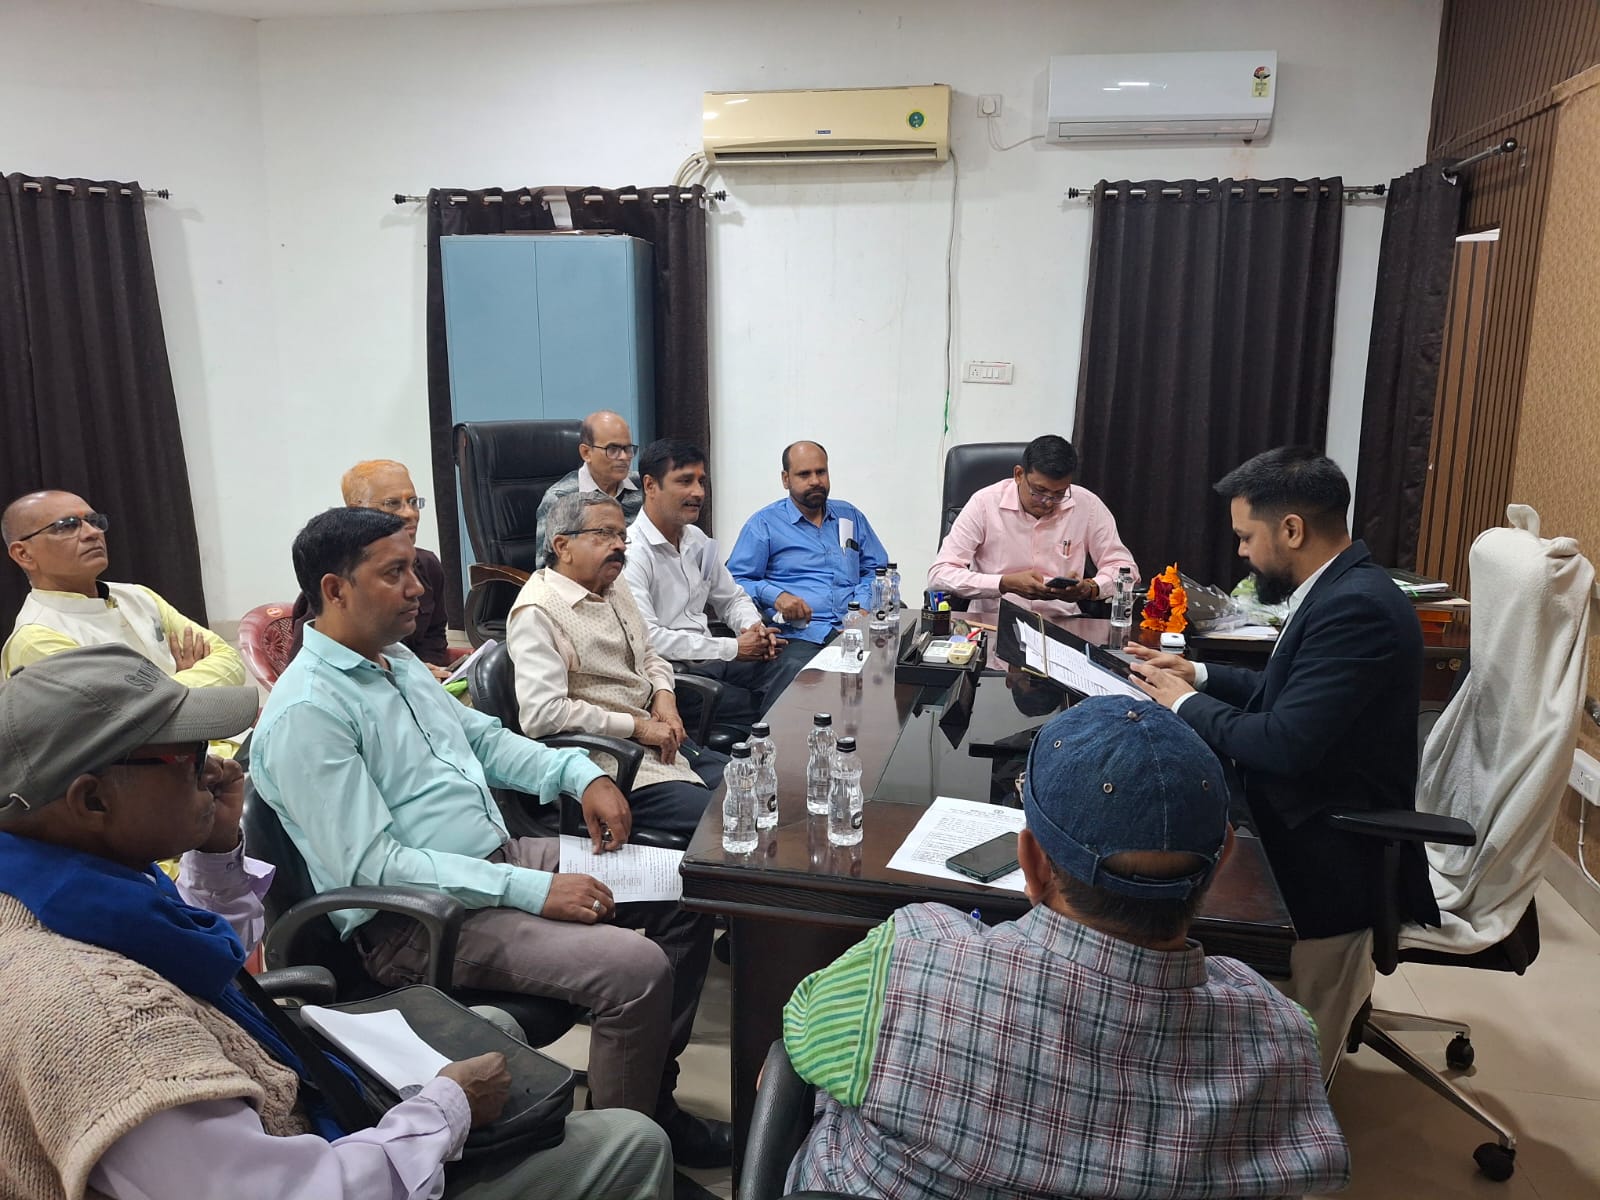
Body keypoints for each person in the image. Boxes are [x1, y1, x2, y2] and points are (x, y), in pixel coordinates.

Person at [0, 644, 673, 1200]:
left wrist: (217, 852)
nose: (215, 767)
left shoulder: (75, 887)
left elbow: (201, 970)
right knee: (631, 1142)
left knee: (495, 1028)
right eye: (186, 756)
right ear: (92, 801)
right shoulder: (105, 1028)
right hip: (309, 1149)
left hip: (282, 1083)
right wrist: (445, 1110)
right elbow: (295, 1191)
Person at [250, 507, 730, 1172]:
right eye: (394, 573)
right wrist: (533, 890)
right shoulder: (309, 712)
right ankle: (620, 1160)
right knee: (636, 968)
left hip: (494, 860)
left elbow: (485, 741)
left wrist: (580, 774)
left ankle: (645, 1105)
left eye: (412, 569)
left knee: (683, 885)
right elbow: (376, 866)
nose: (418, 588)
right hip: (419, 920)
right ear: (335, 589)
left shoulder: (394, 662)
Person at [782, 697, 1349, 1200]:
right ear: (1222, 859)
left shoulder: (907, 959)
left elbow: (802, 1026)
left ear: (1032, 863)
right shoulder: (1283, 1038)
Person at [1127, 445, 1439, 1079]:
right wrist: (1198, 674)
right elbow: (1284, 694)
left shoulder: (1358, 607)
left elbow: (1283, 743)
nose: (1242, 552)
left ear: (1291, 529)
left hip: (1328, 849)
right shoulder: (1341, 587)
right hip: (1309, 811)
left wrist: (1181, 702)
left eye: (1247, 537)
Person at [509, 491, 728, 839]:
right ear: (563, 546)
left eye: (622, 536)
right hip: (610, 765)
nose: (620, 546)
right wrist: (637, 728)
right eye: (604, 534)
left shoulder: (613, 583)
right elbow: (542, 715)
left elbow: (648, 652)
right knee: (729, 816)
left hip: (661, 744)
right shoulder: (537, 612)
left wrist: (665, 696)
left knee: (759, 788)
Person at [622, 438, 804, 728]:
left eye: (701, 481)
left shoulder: (696, 539)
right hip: (671, 675)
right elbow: (650, 639)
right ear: (650, 485)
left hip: (713, 658)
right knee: (769, 704)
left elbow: (732, 598)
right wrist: (732, 648)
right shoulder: (632, 553)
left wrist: (752, 629)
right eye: (685, 481)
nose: (698, 492)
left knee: (796, 672)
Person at [1, 489, 245, 693]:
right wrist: (187, 684)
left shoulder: (139, 596)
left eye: (94, 521)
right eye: (67, 526)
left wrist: (164, 692)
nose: (93, 533)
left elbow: (230, 662)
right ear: (24, 554)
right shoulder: (38, 637)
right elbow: (118, 715)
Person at [927, 434, 1139, 625]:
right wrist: (1003, 584)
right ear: (1019, 474)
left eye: (1059, 494)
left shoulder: (1087, 505)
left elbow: (1126, 570)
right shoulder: (984, 503)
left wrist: (1091, 588)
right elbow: (940, 574)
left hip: (1062, 624)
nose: (1048, 501)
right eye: (1039, 491)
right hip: (993, 623)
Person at [726, 441, 888, 664]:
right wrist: (776, 596)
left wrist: (861, 610)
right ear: (786, 479)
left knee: (901, 663)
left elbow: (876, 571)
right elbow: (734, 581)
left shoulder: (849, 516)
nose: (815, 481)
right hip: (800, 637)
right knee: (817, 677)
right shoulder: (764, 524)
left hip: (856, 630)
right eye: (804, 474)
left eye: (821, 472)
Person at [289, 458, 453, 674]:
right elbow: (310, 665)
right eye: (393, 503)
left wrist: (427, 676)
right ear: (357, 511)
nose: (410, 513)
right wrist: (404, 673)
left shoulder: (428, 565)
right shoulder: (343, 585)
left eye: (413, 501)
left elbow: (434, 636)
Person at [534, 410, 644, 562]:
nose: (624, 457)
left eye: (628, 449)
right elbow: (546, 565)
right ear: (586, 453)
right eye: (612, 449)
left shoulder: (643, 486)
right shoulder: (559, 498)